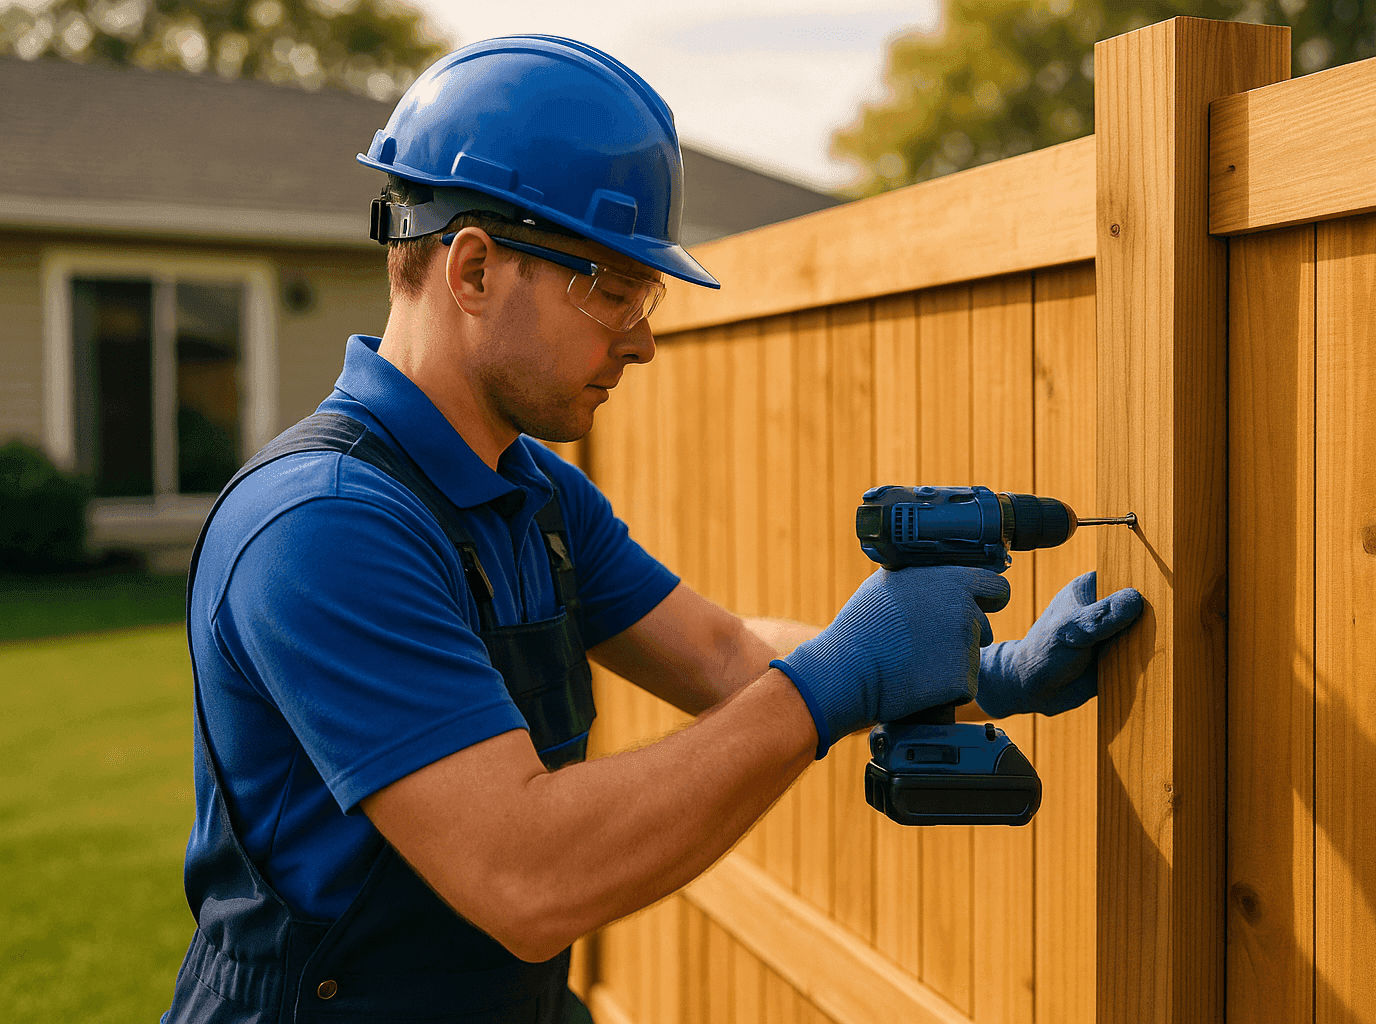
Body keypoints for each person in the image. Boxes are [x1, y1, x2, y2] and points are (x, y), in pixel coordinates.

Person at [162, 35, 1143, 1024]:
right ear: (471, 269)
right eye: (613, 289)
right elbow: (524, 874)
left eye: (646, 294)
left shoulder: (532, 491)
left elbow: (723, 654)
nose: (643, 338)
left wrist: (985, 676)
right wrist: (838, 680)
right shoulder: (325, 525)